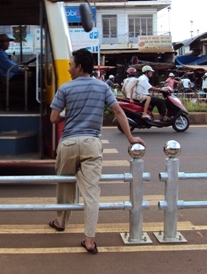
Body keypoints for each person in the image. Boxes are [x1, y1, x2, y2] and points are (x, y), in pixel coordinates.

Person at [48, 48, 145, 254]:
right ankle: (89, 240)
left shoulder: (65, 89)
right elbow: (118, 111)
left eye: (70, 65)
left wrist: (69, 114)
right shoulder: (103, 88)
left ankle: (61, 222)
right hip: (92, 142)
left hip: (69, 143)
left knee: (65, 186)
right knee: (91, 193)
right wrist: (130, 138)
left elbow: (54, 118)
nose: (68, 69)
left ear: (79, 66)